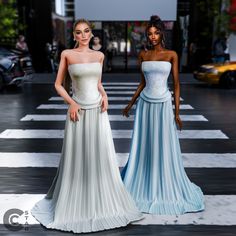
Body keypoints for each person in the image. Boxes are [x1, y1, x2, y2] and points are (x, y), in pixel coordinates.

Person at [31, 18, 143, 233]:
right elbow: (57, 84)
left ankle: (100, 199)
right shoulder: (67, 55)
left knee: (99, 155)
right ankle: (76, 201)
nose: (83, 35)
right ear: (74, 35)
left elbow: (98, 83)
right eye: (79, 32)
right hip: (78, 112)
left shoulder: (99, 56)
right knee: (78, 156)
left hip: (98, 111)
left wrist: (105, 95)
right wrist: (72, 102)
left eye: (86, 31)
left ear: (91, 34)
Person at [121, 15, 204, 215]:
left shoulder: (171, 55)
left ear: (162, 34)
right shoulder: (143, 55)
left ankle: (164, 182)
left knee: (164, 144)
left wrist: (177, 113)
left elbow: (176, 85)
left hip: (163, 104)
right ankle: (143, 181)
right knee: (145, 146)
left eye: (156, 33)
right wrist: (131, 103)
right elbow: (142, 83)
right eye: (150, 34)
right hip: (145, 106)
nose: (153, 37)